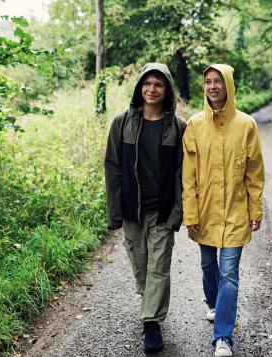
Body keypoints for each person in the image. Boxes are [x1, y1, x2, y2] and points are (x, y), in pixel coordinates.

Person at [182, 64, 264, 357]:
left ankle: (223, 338)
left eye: (218, 81)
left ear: (228, 85)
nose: (213, 86)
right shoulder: (194, 125)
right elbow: (188, 176)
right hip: (204, 213)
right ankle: (213, 304)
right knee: (208, 266)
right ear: (203, 87)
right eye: (208, 82)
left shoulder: (246, 125)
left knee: (228, 273)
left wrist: (255, 209)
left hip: (235, 212)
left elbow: (254, 173)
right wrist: (190, 214)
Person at [104, 63, 186, 353]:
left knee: (159, 266)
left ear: (167, 91)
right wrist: (114, 211)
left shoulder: (177, 127)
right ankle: (148, 295)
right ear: (140, 87)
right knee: (140, 264)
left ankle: (151, 322)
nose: (152, 89)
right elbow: (112, 167)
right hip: (132, 209)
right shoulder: (122, 122)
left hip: (162, 210)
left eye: (159, 85)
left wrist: (178, 212)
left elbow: (182, 173)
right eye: (147, 83)